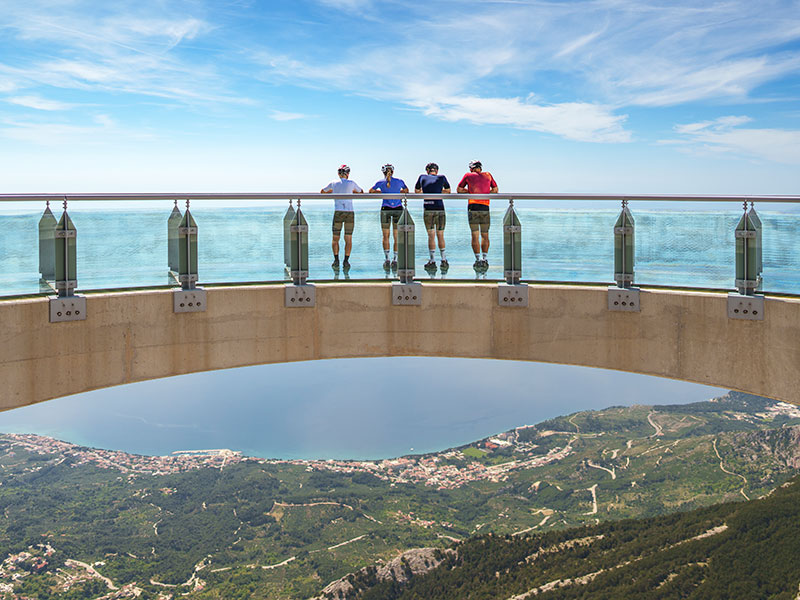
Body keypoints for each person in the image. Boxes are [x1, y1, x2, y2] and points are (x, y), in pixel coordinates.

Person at [457, 160, 497, 269]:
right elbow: (495, 189)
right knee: (485, 234)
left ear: (471, 168)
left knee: (474, 235)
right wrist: (485, 194)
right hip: (485, 206)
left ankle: (477, 259)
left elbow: (459, 190)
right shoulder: (488, 175)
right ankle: (485, 258)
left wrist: (471, 192)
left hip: (473, 206)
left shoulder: (468, 175)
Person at [321, 164, 363, 270]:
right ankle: (346, 261)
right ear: (348, 174)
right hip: (349, 212)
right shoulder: (351, 183)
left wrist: (334, 191)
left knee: (335, 238)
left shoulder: (333, 183)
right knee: (348, 238)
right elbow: (361, 192)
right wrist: (350, 192)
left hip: (338, 212)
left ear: (338, 174)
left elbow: (322, 191)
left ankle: (336, 260)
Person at [369, 164, 408, 270]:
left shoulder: (380, 183)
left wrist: (381, 192)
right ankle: (395, 260)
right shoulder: (399, 181)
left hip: (386, 209)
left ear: (383, 173)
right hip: (398, 209)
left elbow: (371, 191)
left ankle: (387, 259)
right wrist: (397, 192)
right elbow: (406, 190)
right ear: (393, 172)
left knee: (385, 236)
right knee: (396, 236)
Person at [414, 162, 450, 270]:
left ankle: (432, 260)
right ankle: (443, 260)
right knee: (440, 235)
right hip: (440, 208)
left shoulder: (422, 177)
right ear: (436, 171)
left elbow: (417, 191)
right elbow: (448, 191)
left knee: (431, 235)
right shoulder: (442, 177)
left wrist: (426, 192)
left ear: (427, 171)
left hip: (428, 208)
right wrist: (438, 192)